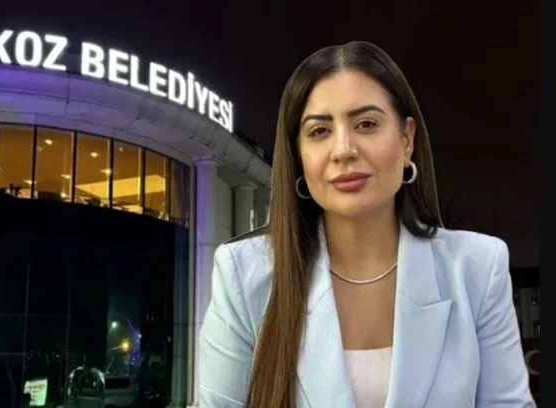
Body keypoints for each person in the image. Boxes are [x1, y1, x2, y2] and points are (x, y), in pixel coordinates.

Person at [198, 41, 534, 408]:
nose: (344, 149)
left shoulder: (477, 268)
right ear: (298, 155)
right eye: (319, 131)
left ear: (406, 140)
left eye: (366, 124)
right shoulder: (244, 274)